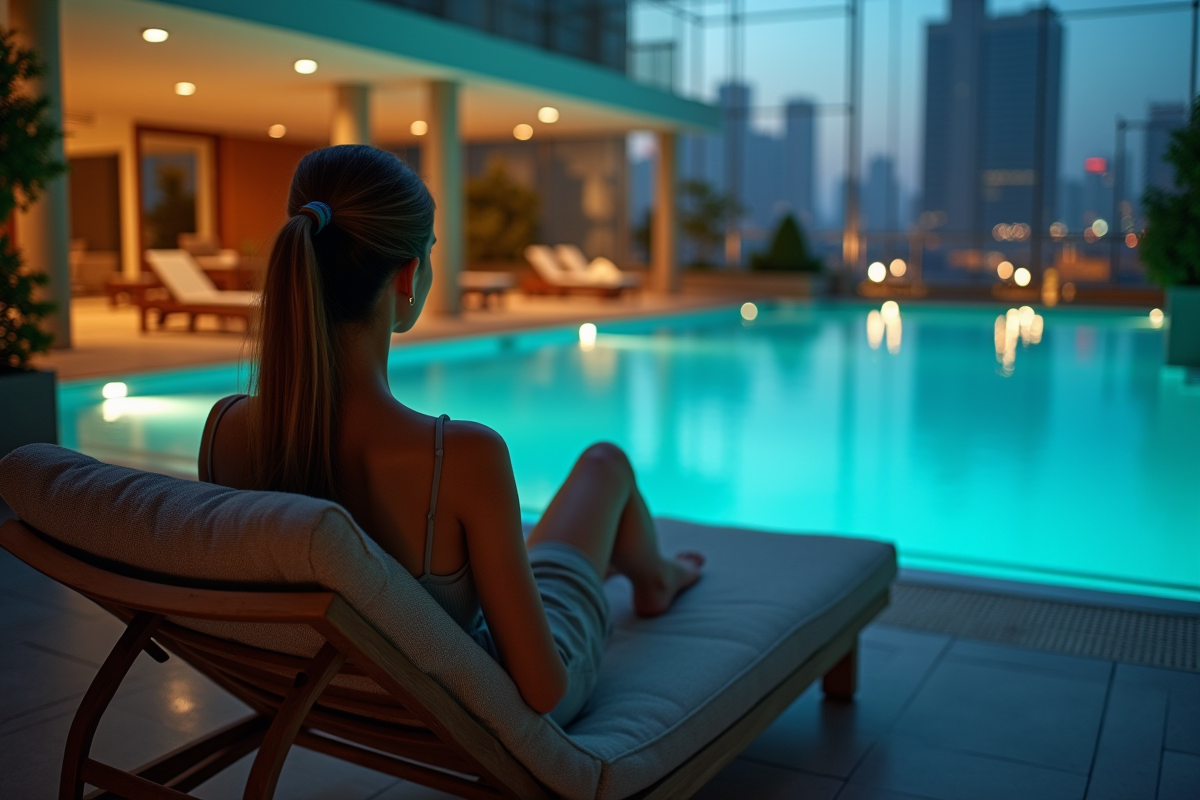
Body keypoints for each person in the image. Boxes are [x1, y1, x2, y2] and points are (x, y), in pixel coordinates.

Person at [198, 145, 702, 725]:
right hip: (469, 692)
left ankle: (637, 570)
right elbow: (542, 690)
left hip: (335, 694)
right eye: (431, 250)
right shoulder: (459, 457)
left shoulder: (226, 431)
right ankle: (657, 576)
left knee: (546, 546)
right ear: (409, 274)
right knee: (605, 463)